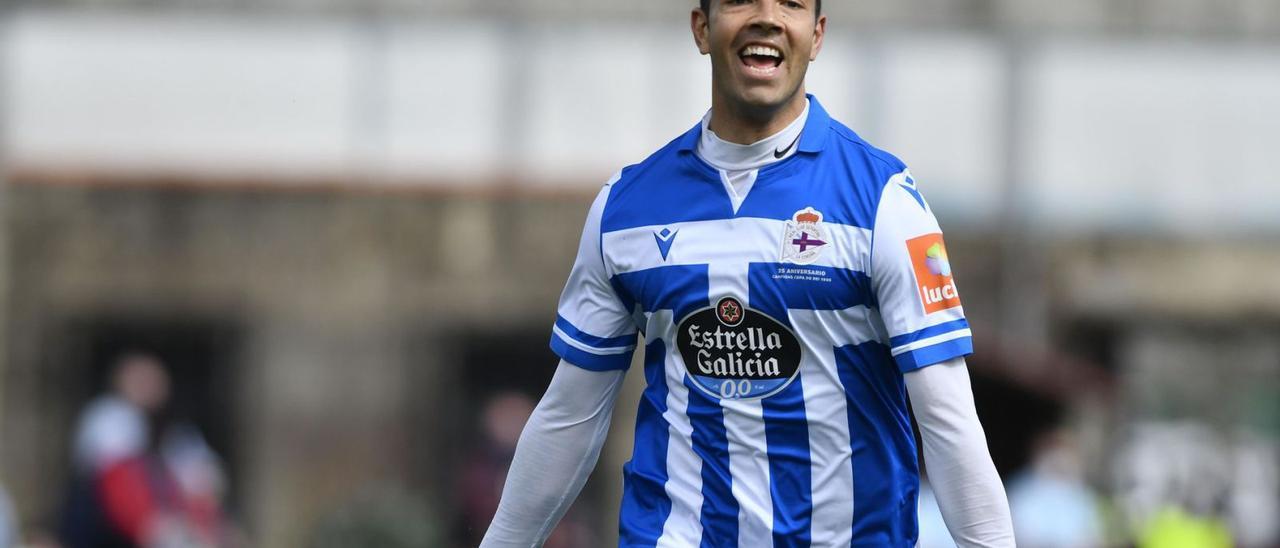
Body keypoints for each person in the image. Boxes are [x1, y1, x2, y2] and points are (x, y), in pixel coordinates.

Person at [481, 0, 1014, 546]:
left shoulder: (886, 205)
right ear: (701, 27)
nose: (767, 17)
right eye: (741, 0)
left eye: (792, 4)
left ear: (817, 34)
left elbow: (949, 423)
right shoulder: (625, 211)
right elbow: (570, 416)